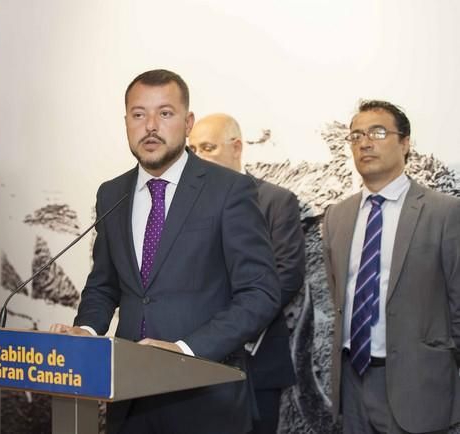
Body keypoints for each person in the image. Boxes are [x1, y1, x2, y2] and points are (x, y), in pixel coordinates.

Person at [50, 69, 280, 434]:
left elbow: (260, 292)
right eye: (139, 114)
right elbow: (105, 284)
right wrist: (88, 332)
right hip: (128, 399)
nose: (151, 126)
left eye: (165, 113)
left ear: (188, 122)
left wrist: (186, 349)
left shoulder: (228, 190)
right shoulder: (112, 193)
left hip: (205, 396)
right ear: (126, 122)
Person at [322, 100, 460, 433]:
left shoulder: (445, 213)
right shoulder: (337, 217)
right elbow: (338, 295)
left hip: (421, 386)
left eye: (377, 132)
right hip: (352, 383)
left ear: (405, 142)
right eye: (355, 136)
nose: (364, 143)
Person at [189, 113, 305, 434]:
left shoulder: (276, 201)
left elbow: (287, 274)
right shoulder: (183, 205)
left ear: (237, 147)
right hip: (191, 362)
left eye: (208, 147)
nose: (198, 157)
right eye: (193, 149)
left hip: (257, 361)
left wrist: (231, 326)